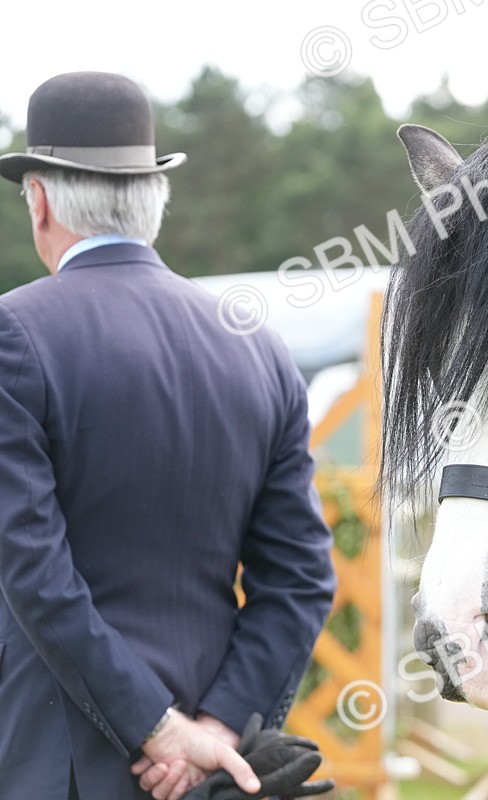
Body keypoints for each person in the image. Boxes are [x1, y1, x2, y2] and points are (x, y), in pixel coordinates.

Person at [0, 72, 337, 799]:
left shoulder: (13, 335)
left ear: (40, 200)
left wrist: (156, 729)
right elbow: (300, 576)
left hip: (50, 767)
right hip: (206, 774)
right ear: (154, 199)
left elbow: (32, 568)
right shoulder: (260, 349)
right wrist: (210, 731)